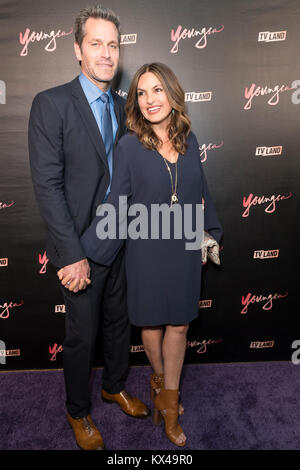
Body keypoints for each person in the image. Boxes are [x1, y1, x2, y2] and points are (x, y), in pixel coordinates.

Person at [78, 62, 223, 447]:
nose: (149, 100)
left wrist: (209, 234)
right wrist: (83, 253)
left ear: (172, 94)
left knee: (180, 326)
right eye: (141, 93)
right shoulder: (128, 146)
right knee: (153, 325)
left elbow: (201, 192)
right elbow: (117, 203)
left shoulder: (190, 141)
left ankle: (169, 405)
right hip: (146, 249)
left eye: (157, 90)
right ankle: (160, 384)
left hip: (184, 246)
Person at [28, 5, 149, 452]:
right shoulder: (51, 103)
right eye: (95, 43)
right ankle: (78, 410)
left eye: (112, 45)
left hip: (123, 242)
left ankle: (113, 386)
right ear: (78, 49)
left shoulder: (124, 106)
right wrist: (72, 253)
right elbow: (47, 185)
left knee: (119, 325)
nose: (105, 53)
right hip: (79, 247)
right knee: (82, 335)